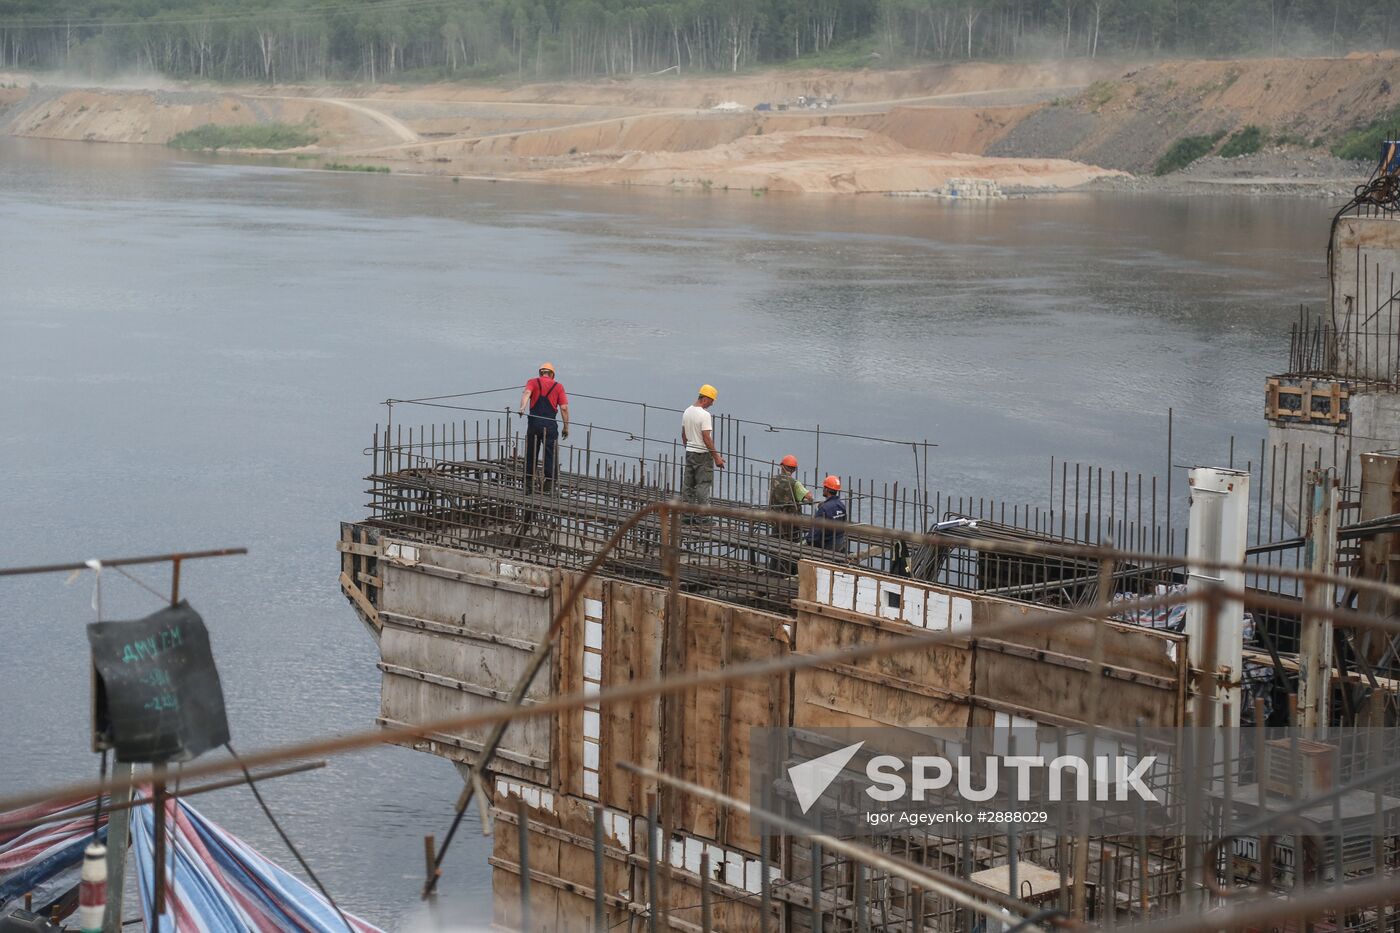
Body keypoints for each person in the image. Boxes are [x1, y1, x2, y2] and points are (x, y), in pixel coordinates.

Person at [518, 362, 569, 492]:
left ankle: (528, 484)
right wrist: (566, 427)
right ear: (552, 374)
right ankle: (549, 485)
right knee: (550, 454)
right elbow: (564, 408)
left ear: (541, 372)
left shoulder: (533, 382)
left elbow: (527, 393)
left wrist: (522, 408)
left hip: (534, 423)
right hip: (550, 425)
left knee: (531, 452)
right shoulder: (559, 387)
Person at [680, 384, 724, 517]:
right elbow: (706, 437)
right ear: (705, 399)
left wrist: (689, 447)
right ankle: (704, 518)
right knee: (703, 485)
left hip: (690, 452)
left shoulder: (687, 411)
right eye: (711, 401)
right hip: (702, 455)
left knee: (688, 484)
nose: (712, 404)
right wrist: (717, 458)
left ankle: (687, 516)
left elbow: (683, 434)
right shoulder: (705, 415)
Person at [768, 454, 812, 541]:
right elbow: (809, 497)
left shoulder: (773, 479)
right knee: (791, 545)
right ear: (794, 469)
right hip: (791, 522)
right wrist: (803, 498)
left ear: (781, 466)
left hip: (775, 518)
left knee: (776, 542)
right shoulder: (795, 483)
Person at [807, 475, 848, 552]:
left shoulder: (824, 509)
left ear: (826, 489)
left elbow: (815, 531)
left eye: (824, 487)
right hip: (839, 544)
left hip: (827, 548)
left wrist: (809, 540)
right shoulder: (841, 506)